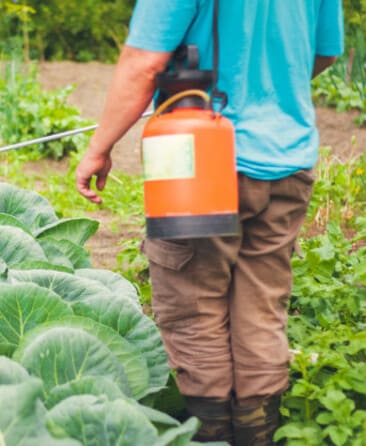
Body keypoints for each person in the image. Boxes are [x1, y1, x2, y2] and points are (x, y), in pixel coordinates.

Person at [75, 1, 344, 444]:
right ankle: (259, 432)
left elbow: (145, 62)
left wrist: (99, 148)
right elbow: (325, 53)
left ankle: (210, 434)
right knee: (262, 305)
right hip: (288, 159)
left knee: (193, 305)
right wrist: (269, 98)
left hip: (198, 160)